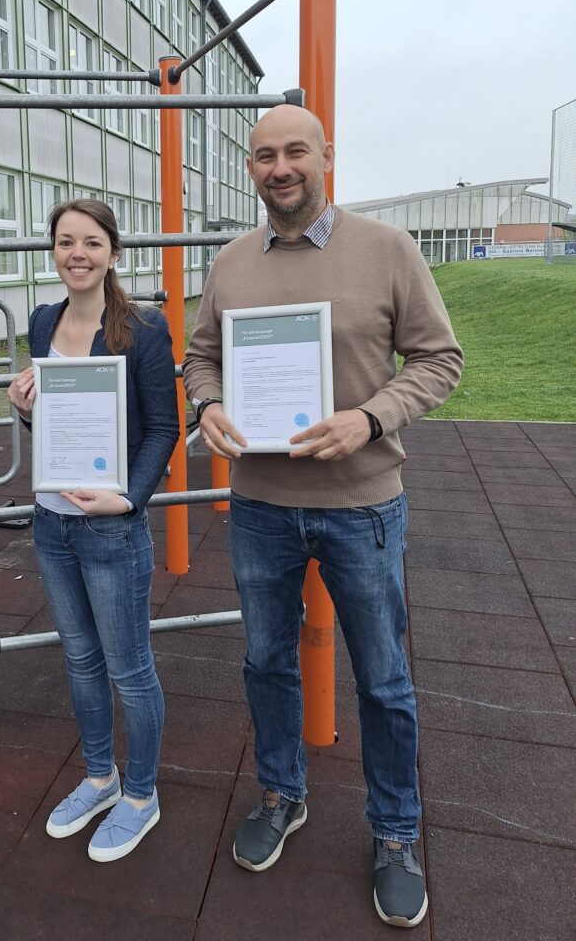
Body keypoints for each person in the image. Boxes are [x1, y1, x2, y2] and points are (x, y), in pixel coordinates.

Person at [183, 105, 463, 928]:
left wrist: (370, 419)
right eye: (265, 154)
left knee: (383, 679)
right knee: (265, 662)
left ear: (325, 156)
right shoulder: (232, 262)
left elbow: (439, 358)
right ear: (250, 167)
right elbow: (201, 356)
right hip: (261, 506)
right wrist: (207, 405)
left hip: (360, 505)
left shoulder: (387, 250)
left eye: (296, 150)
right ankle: (282, 793)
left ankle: (397, 832)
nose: (281, 167)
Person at [7, 199, 178, 862]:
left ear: (112, 251)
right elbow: (53, 422)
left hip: (111, 530)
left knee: (129, 669)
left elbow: (164, 428)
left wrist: (128, 499)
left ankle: (141, 794)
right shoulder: (42, 320)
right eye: (64, 241)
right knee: (79, 660)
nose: (76, 253)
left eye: (91, 242)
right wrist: (25, 411)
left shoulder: (144, 329)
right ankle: (101, 778)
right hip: (52, 523)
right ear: (53, 250)